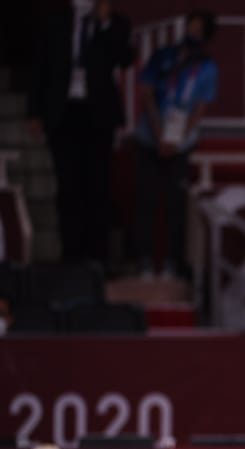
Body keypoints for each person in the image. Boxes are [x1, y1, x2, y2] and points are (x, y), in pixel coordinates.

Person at [27, 0, 134, 268]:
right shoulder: (55, 21)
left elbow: (125, 58)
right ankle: (71, 256)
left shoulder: (116, 24)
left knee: (97, 186)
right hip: (63, 112)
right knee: (68, 186)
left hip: (98, 113)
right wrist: (35, 112)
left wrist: (104, 23)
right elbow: (40, 66)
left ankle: (98, 257)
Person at [132, 9, 219, 280]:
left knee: (175, 204)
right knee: (144, 200)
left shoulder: (207, 67)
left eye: (198, 29)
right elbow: (146, 93)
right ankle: (143, 260)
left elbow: (200, 109)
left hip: (180, 143)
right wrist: (159, 133)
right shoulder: (163, 56)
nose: (192, 33)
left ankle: (172, 263)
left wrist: (177, 139)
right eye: (190, 27)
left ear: (205, 35)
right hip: (150, 137)